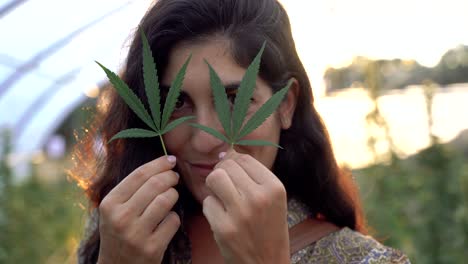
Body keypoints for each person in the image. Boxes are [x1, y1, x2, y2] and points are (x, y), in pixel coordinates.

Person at [72, 0, 411, 263]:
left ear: (285, 105)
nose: (204, 139)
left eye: (234, 99)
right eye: (177, 102)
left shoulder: (364, 259)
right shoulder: (123, 231)